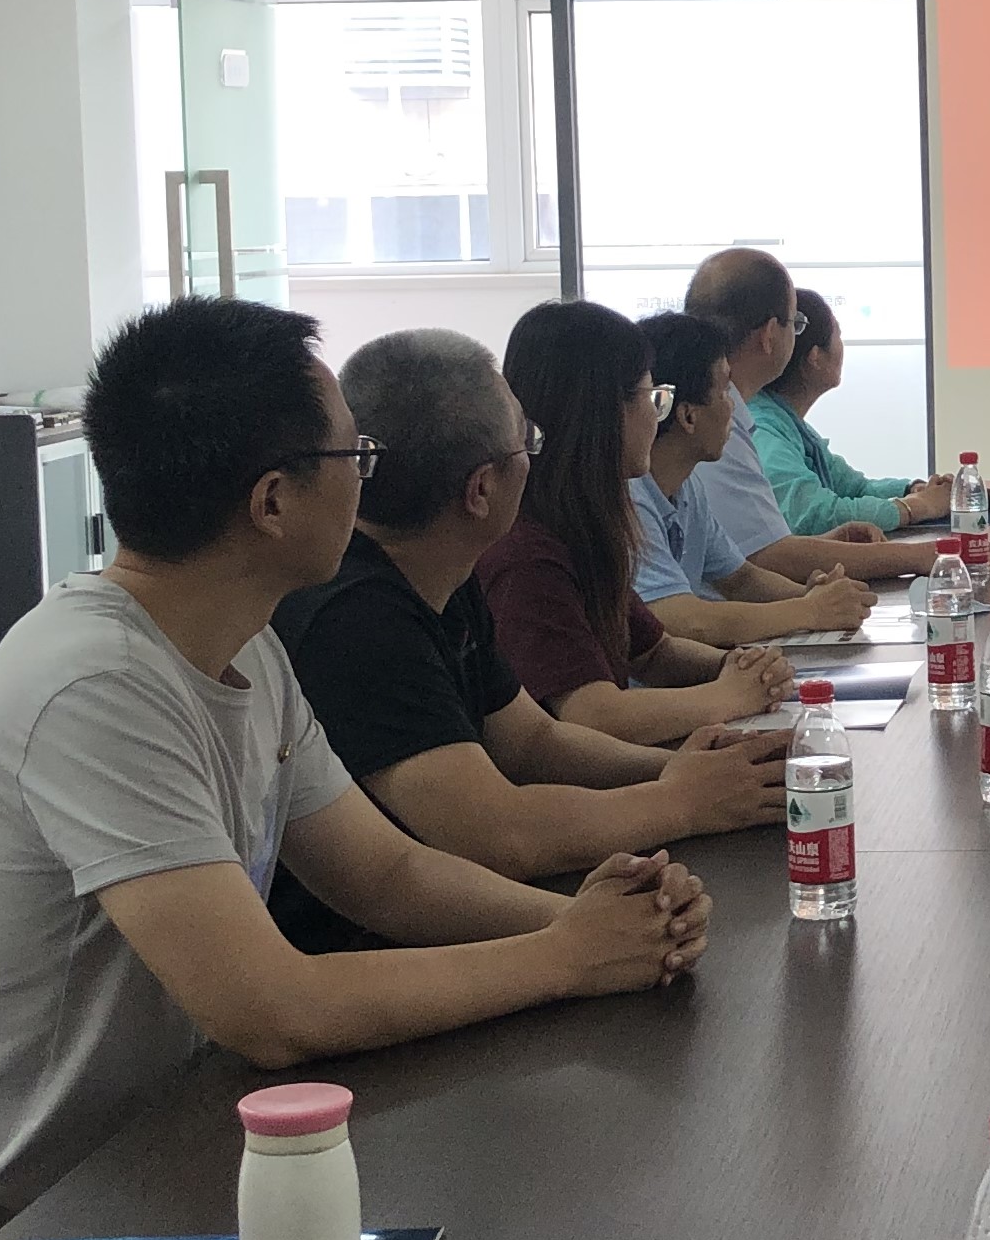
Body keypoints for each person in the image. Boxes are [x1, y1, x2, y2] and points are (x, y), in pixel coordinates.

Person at [0, 298, 709, 1240]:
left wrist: (595, 924)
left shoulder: (247, 647)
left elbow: (386, 874)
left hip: (149, 1182)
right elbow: (272, 1009)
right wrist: (562, 959)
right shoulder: (95, 682)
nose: (371, 476)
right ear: (272, 502)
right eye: (354, 455)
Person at [267, 328, 785, 950]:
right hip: (380, 954)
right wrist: (681, 801)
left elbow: (533, 741)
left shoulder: (443, 572)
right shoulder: (356, 618)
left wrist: (684, 770)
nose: (535, 459)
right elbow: (496, 831)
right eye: (526, 443)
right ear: (482, 489)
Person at [486, 299, 805, 746]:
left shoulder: (584, 523)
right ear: (601, 412)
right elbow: (592, 714)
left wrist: (737, 668)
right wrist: (726, 697)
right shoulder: (528, 551)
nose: (658, 417)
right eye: (653, 399)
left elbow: (655, 653)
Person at [684, 247, 933, 586]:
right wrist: (919, 553)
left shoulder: (734, 412)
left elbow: (743, 561)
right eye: (795, 324)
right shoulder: (719, 425)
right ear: (770, 335)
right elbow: (770, 556)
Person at [633, 309, 870, 647]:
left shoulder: (687, 487)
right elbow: (684, 619)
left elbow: (740, 578)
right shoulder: (632, 497)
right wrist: (809, 610)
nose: (733, 407)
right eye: (723, 393)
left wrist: (809, 594)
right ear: (687, 416)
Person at [753, 284, 954, 539]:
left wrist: (913, 490)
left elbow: (855, 488)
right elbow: (816, 516)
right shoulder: (762, 430)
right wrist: (918, 507)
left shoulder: (788, 424)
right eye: (838, 334)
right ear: (814, 357)